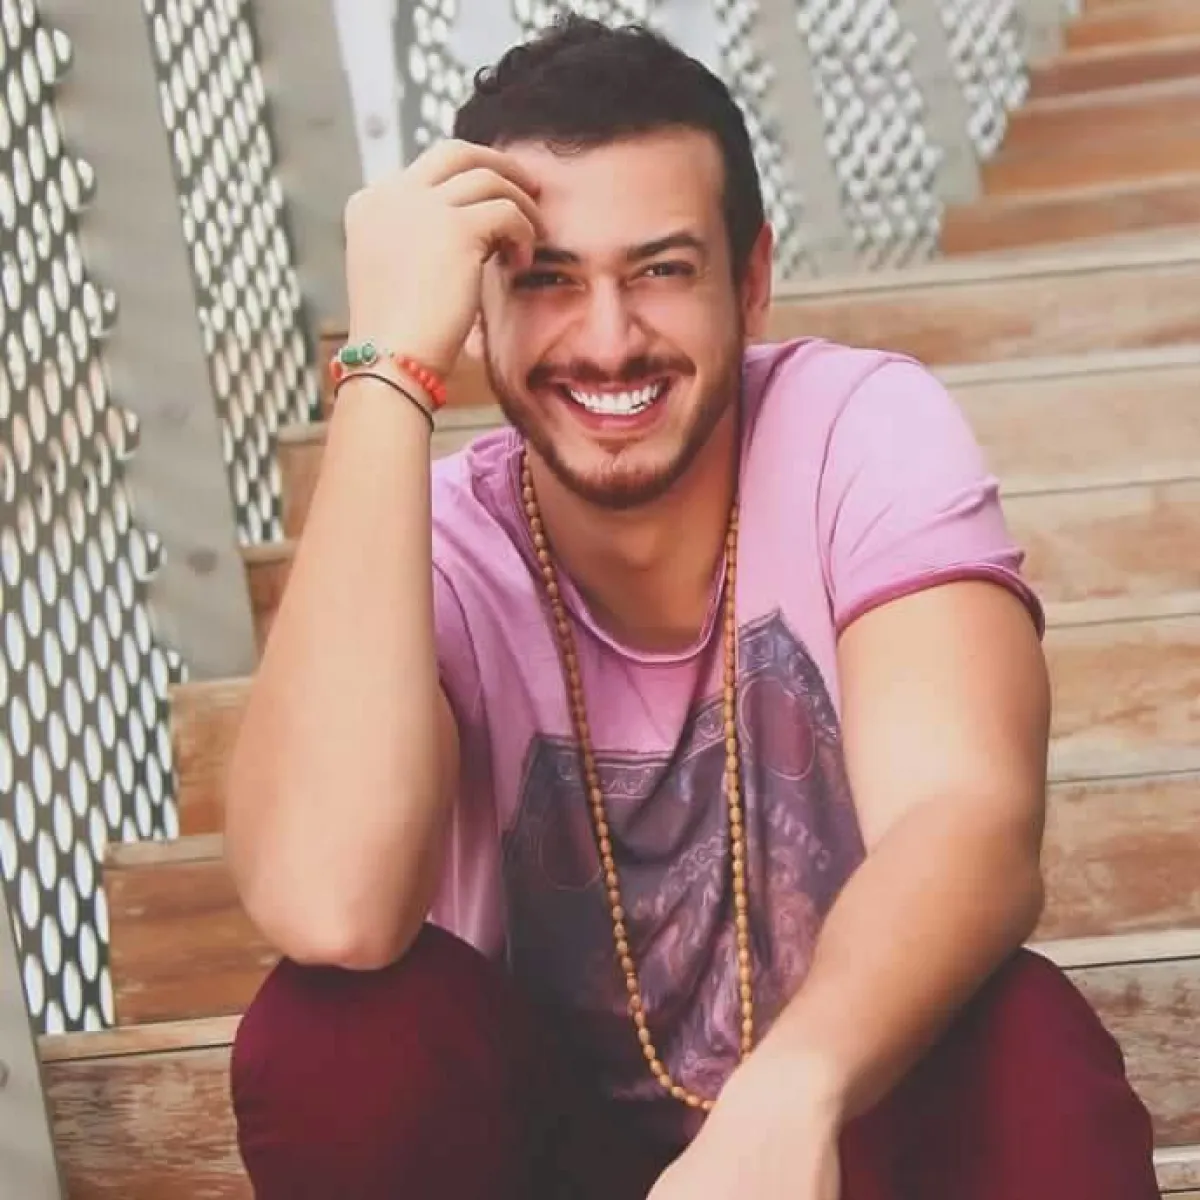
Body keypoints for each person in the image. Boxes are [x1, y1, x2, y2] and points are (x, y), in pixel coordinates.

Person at [223, 16, 1159, 1200]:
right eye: (547, 280)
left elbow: (966, 821)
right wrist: (387, 368)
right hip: (534, 1153)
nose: (609, 340)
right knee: (334, 1042)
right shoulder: (437, 543)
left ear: (751, 280)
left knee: (1022, 1040)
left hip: (834, 1130)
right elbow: (329, 906)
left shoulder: (857, 432)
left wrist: (792, 1095)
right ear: (479, 308)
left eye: (660, 270)